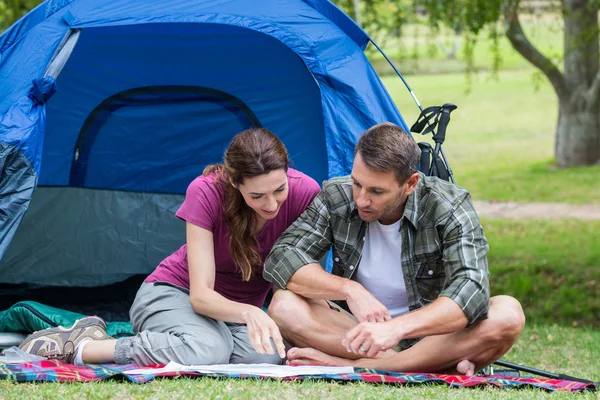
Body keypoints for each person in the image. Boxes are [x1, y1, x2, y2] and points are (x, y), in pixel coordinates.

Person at [19, 128, 321, 366]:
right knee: (208, 349)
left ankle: (192, 342)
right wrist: (250, 313)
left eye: (279, 190)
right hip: (176, 293)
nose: (270, 204)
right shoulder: (206, 191)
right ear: (233, 182)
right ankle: (83, 345)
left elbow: (306, 272)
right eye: (257, 196)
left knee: (266, 355)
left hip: (231, 316)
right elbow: (201, 296)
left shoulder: (305, 192)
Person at [264, 122, 526, 375]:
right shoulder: (337, 196)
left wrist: (396, 329)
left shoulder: (449, 205)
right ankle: (430, 366)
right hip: (356, 332)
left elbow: (472, 291)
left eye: (377, 191)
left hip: (432, 337)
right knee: (284, 305)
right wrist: (350, 290)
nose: (361, 199)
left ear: (410, 183)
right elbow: (282, 257)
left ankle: (361, 366)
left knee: (508, 313)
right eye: (357, 183)